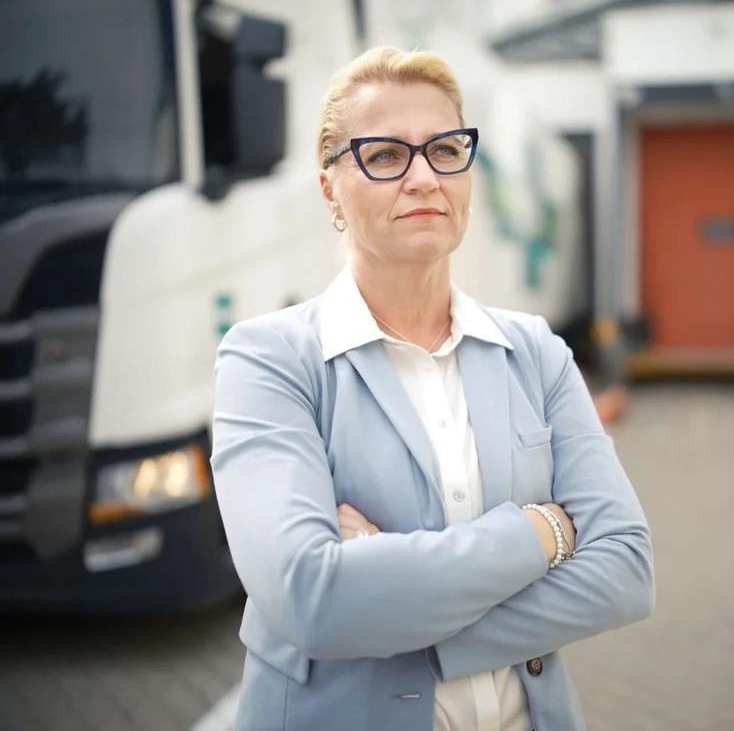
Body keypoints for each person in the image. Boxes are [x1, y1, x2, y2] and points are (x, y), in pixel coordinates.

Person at [210, 45, 655, 731]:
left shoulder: (534, 353)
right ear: (330, 187)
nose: (422, 177)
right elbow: (310, 598)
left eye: (445, 148)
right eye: (385, 156)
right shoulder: (270, 362)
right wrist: (543, 533)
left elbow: (625, 571)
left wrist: (390, 609)